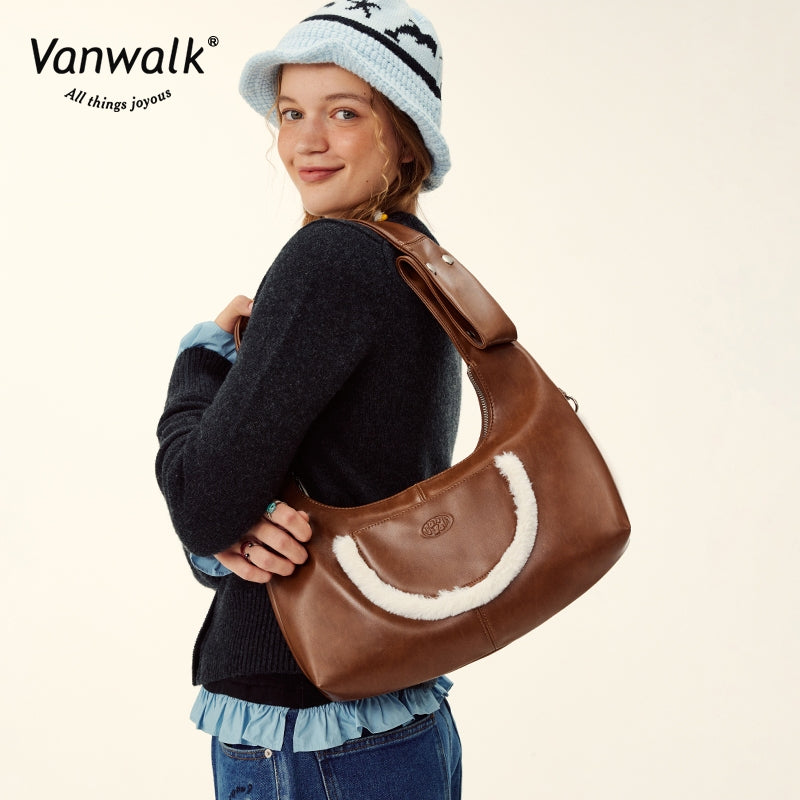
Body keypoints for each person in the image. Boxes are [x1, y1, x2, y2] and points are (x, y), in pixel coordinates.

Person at [155, 1, 463, 798]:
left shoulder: (329, 258)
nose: (306, 141)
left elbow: (201, 502)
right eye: (291, 112)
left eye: (344, 112)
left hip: (304, 739)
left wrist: (199, 362)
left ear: (405, 134)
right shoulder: (418, 260)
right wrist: (233, 527)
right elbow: (244, 520)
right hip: (394, 717)